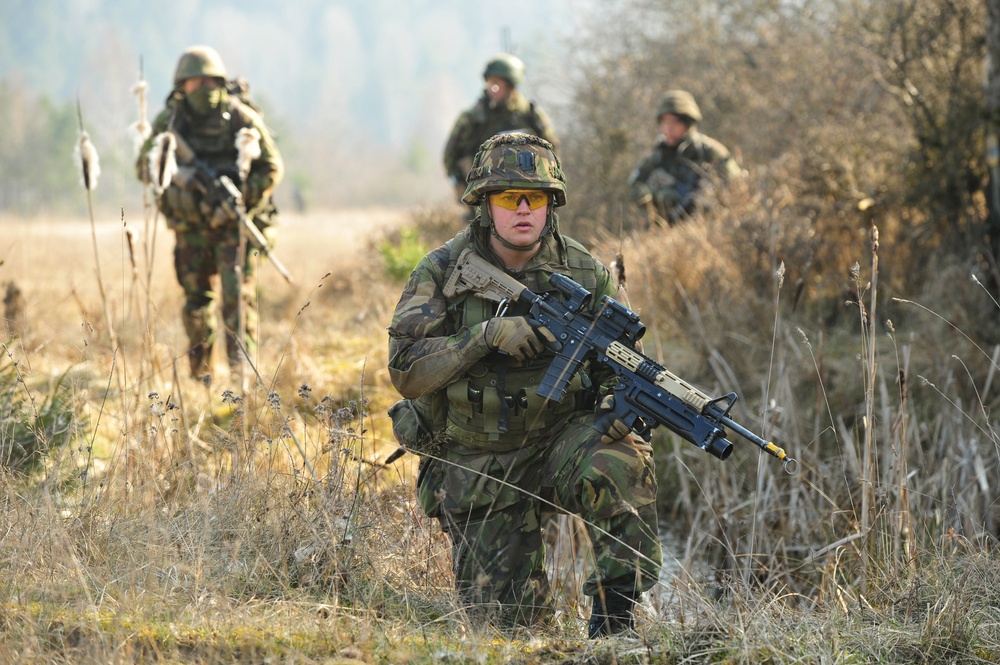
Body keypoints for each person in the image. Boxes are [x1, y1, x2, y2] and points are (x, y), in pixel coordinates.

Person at [388, 132, 661, 637]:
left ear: (550, 204)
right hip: (478, 459)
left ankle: (614, 623)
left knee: (621, 458)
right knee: (504, 630)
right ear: (483, 205)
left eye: (533, 197)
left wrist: (617, 406)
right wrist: (484, 336)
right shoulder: (444, 270)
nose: (521, 209)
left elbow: (622, 363)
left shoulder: (583, 270)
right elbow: (405, 368)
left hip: (561, 443)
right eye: (506, 197)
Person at [137, 45, 284, 379]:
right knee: (196, 304)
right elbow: (144, 166)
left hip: (232, 228)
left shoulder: (240, 117)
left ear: (218, 81)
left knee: (237, 303)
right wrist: (178, 176)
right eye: (194, 82)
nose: (202, 89)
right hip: (191, 230)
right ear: (181, 86)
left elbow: (272, 167)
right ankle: (201, 376)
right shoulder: (170, 121)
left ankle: (241, 378)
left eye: (208, 82)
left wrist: (239, 200)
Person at [443, 54, 559, 202]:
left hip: (529, 194)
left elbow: (553, 149)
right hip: (485, 195)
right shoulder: (473, 118)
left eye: (496, 84)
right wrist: (463, 187)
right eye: (489, 84)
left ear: (511, 85)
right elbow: (450, 156)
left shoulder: (531, 115)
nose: (492, 89)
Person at [628, 90, 742, 226]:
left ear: (688, 123)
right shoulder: (658, 154)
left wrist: (711, 198)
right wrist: (655, 196)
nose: (668, 129)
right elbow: (634, 185)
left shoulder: (709, 150)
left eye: (674, 122)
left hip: (709, 223)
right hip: (667, 226)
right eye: (664, 122)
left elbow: (737, 185)